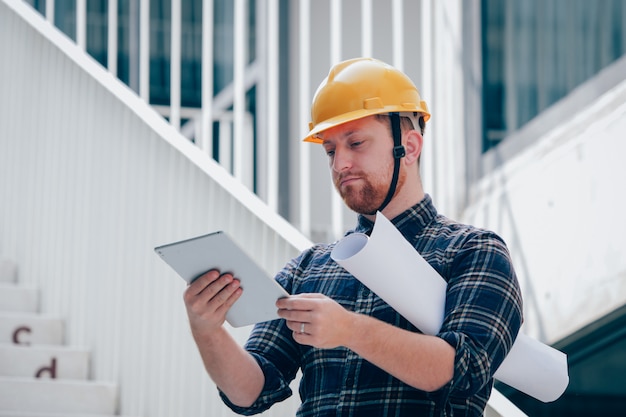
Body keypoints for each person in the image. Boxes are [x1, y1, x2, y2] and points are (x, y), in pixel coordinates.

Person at [183, 57, 523, 416]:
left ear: (409, 147)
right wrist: (207, 330)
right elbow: (250, 391)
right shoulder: (309, 269)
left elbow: (463, 369)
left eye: (356, 143)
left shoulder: (474, 252)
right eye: (330, 150)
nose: (338, 164)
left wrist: (348, 329)